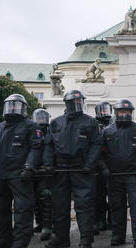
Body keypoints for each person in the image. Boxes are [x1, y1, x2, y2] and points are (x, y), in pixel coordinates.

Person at [43, 90, 101, 248]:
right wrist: (48, 164)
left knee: (84, 206)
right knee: (60, 206)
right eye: (73, 102)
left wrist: (90, 164)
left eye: (79, 102)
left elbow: (96, 145)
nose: (76, 105)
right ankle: (62, 238)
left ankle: (85, 239)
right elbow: (48, 145)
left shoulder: (90, 122)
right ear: (66, 104)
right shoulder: (56, 122)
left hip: (82, 169)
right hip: (60, 170)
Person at [102, 99, 136, 248]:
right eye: (122, 111)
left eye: (127, 111)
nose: (125, 114)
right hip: (114, 176)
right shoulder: (107, 132)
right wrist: (104, 168)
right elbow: (99, 153)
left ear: (131, 113)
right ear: (116, 113)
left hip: (134, 176)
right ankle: (118, 236)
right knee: (116, 208)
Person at [0, 94, 42, 248]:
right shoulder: (1, 126)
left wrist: (29, 167)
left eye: (16, 105)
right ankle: (4, 240)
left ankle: (19, 243)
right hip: (2, 175)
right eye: (10, 105)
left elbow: (36, 148)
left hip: (20, 175)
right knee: (2, 210)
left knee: (23, 211)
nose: (12, 108)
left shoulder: (31, 126)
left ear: (23, 108)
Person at [31, 108, 54, 241]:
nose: (41, 120)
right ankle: (39, 223)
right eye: (38, 118)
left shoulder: (52, 131)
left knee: (46, 197)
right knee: (34, 199)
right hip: (32, 170)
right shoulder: (30, 130)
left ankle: (47, 226)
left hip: (47, 170)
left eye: (43, 117)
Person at [93, 101, 113, 234]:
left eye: (106, 110)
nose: (104, 113)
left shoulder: (115, 122)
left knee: (113, 195)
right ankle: (100, 220)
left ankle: (112, 220)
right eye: (102, 110)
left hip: (112, 164)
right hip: (97, 166)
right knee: (99, 195)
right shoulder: (93, 125)